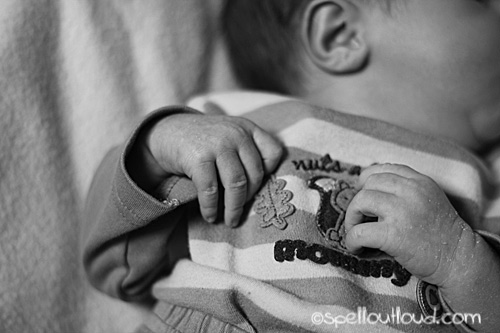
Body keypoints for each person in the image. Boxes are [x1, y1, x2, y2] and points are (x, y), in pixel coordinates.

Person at [83, 0, 500, 332]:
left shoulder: (485, 184)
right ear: (339, 34)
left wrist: (461, 259)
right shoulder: (238, 126)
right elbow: (117, 270)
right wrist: (156, 151)